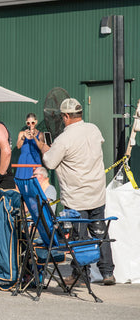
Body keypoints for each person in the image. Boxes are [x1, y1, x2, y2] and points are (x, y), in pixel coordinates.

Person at [41, 98, 115, 286]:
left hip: (76, 197)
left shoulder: (64, 139)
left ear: (66, 116)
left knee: (79, 238)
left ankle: (81, 275)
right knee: (100, 234)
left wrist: (43, 146)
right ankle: (107, 273)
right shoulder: (93, 129)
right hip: (97, 193)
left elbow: (49, 162)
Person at [15, 113, 44, 179]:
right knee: (22, 180)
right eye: (28, 123)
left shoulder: (40, 134)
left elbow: (41, 147)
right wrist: (23, 137)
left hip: (34, 159)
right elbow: (18, 146)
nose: (30, 125)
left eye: (32, 123)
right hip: (24, 160)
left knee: (35, 181)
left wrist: (34, 137)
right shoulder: (22, 133)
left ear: (36, 122)